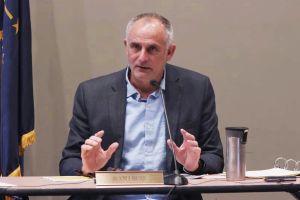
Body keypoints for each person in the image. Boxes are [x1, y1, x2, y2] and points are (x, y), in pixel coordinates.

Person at [59, 12, 224, 200]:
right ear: (125, 46)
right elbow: (68, 162)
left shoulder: (196, 88)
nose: (142, 57)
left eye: (152, 49)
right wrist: (87, 168)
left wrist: (193, 165)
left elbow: (215, 158)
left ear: (169, 52)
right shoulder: (91, 93)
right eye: (135, 47)